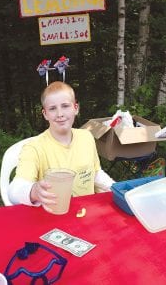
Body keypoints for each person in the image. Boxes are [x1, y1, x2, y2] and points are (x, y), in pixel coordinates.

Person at [8, 81, 115, 212]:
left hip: (87, 213)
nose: (60, 114)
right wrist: (34, 191)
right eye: (52, 108)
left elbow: (96, 173)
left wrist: (115, 188)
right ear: (45, 114)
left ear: (76, 108)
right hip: (53, 216)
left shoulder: (86, 137)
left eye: (65, 106)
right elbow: (14, 190)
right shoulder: (34, 147)